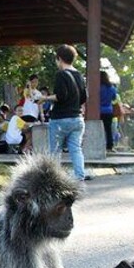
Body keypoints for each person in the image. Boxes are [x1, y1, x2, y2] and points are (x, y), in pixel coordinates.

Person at [42, 44, 89, 181]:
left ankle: (54, 179)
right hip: (77, 119)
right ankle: (79, 176)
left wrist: (44, 98)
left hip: (60, 119)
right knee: (75, 149)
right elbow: (84, 97)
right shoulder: (79, 75)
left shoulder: (61, 74)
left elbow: (60, 96)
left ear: (60, 58)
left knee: (55, 151)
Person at [99, 71, 119, 152]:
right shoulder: (112, 88)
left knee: (100, 129)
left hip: (99, 111)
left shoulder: (98, 87)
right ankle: (109, 146)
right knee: (108, 129)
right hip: (109, 111)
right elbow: (114, 98)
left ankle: (99, 145)